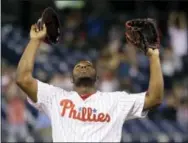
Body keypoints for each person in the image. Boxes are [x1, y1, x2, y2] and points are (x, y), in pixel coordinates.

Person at [16, 23, 164, 142]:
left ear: (96, 79)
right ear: (72, 80)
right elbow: (23, 79)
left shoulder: (116, 101)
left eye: (88, 66)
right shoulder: (56, 98)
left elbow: (155, 98)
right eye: (78, 66)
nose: (83, 66)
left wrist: (153, 56)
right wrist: (35, 41)